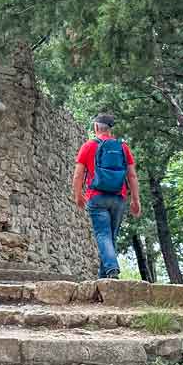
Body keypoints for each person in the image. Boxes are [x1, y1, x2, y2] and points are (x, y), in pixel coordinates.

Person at [71, 114, 142, 279]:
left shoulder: (88, 146)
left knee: (103, 235)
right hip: (118, 197)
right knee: (111, 237)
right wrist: (135, 200)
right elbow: (132, 175)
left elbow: (78, 175)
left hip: (96, 197)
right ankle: (104, 278)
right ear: (110, 129)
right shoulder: (123, 147)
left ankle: (111, 269)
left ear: (96, 127)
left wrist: (78, 195)